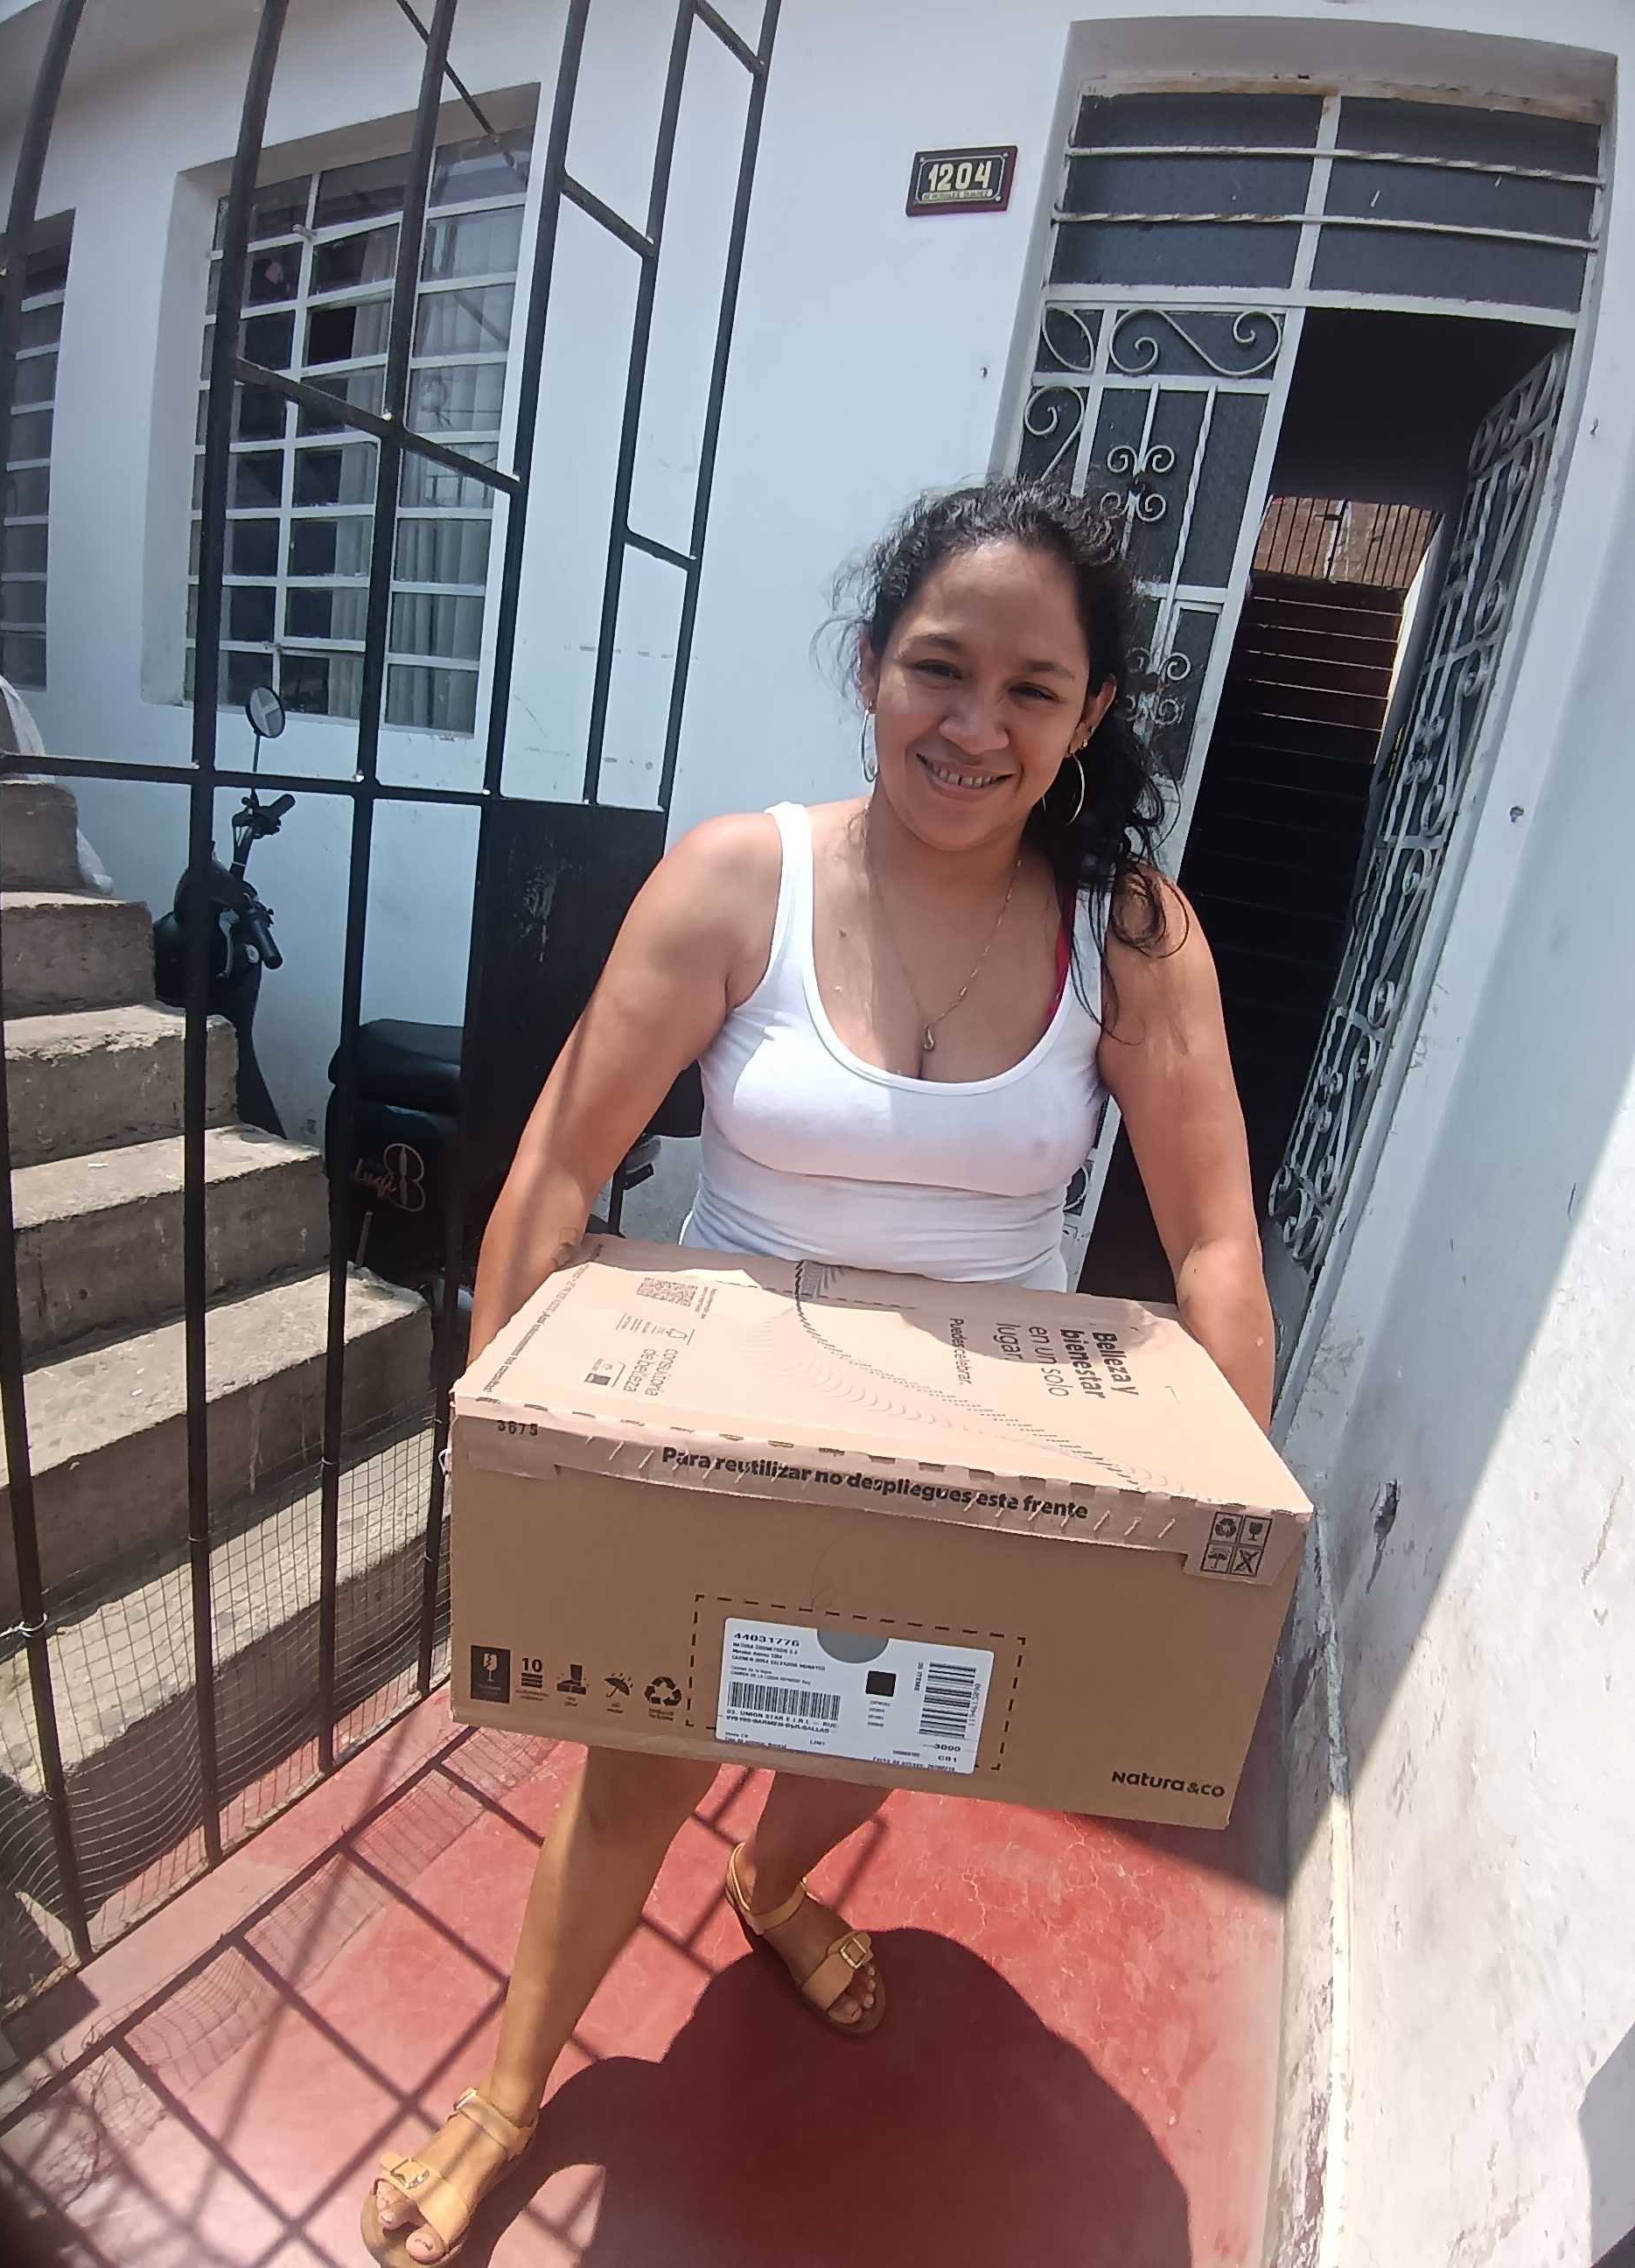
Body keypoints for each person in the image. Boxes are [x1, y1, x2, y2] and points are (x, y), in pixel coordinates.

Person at [362, 477, 1274, 2266]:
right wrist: (507, 1458)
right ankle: (510, 2095)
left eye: (1032, 688)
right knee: (637, 1774)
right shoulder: (739, 884)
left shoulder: (1133, 937)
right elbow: (555, 1171)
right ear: (870, 666)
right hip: (726, 1439)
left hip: (980, 1470)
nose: (976, 724)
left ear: (1089, 713)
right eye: (940, 667)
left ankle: (775, 1884)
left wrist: (1212, 1544)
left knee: (880, 1732)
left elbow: (1219, 1248)